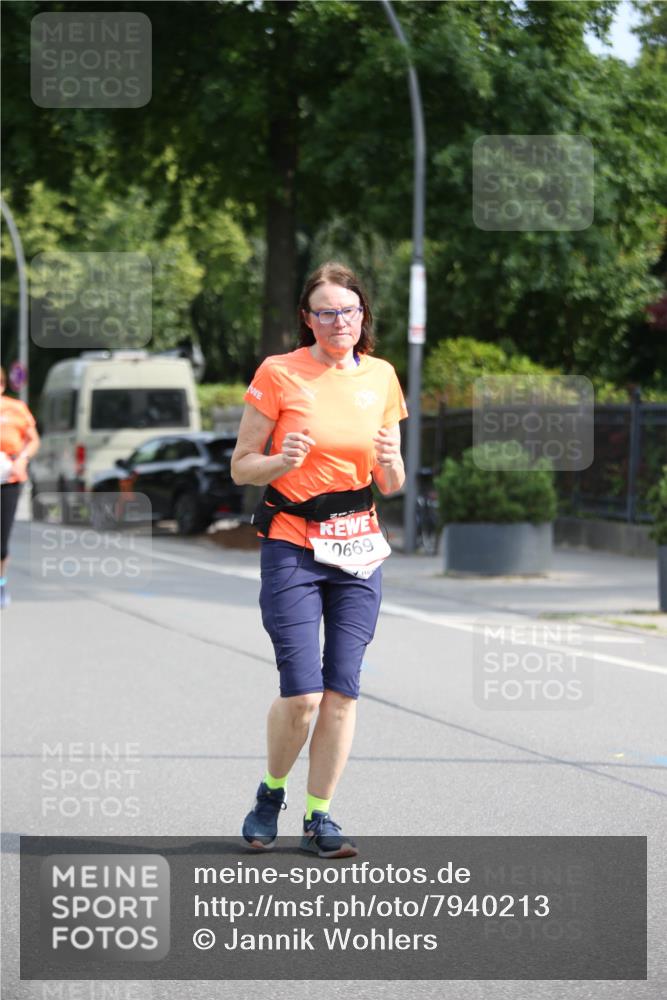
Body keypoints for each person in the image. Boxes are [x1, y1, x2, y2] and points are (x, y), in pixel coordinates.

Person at [231, 262, 407, 858]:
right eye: (327, 312)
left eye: (350, 310)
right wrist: (281, 461)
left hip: (358, 548)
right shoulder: (279, 373)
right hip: (293, 544)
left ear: (364, 316)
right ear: (308, 319)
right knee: (303, 692)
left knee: (343, 690)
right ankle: (270, 793)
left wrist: (390, 459)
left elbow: (393, 481)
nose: (340, 321)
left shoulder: (382, 377)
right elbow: (241, 465)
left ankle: (319, 817)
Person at [0, 366, 40, 609]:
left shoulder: (16, 409)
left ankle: (0, 582)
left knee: (1, 542)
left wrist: (23, 458)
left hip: (9, 481)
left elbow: (33, 439)